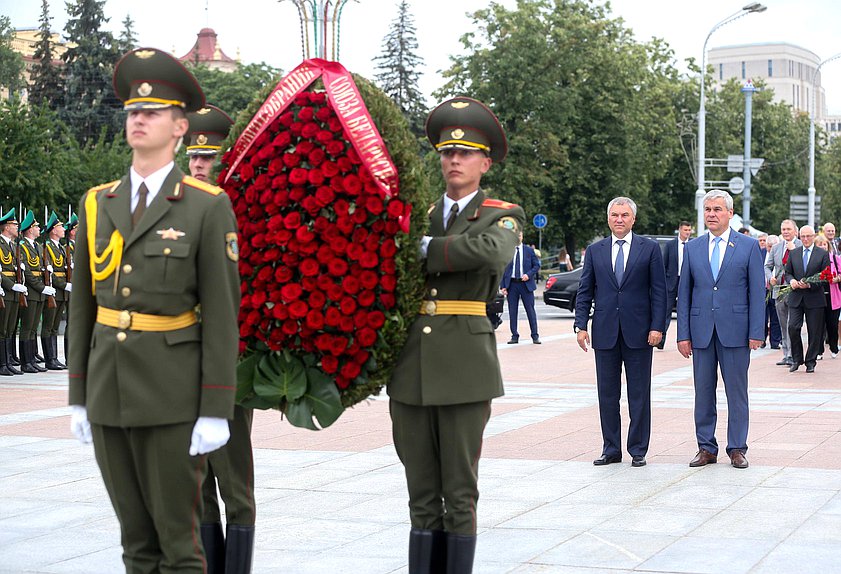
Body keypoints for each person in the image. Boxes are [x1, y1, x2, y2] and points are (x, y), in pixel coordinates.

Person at [67, 47, 241, 573]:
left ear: (180, 126)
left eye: (153, 112)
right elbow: (82, 306)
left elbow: (222, 313)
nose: (138, 119)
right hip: (108, 389)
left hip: (171, 393)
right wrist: (79, 394)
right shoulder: (98, 202)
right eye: (132, 112)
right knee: (134, 542)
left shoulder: (206, 206)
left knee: (179, 545)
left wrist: (215, 407)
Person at [388, 96, 524, 573]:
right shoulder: (415, 213)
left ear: (484, 162)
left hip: (466, 369)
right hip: (411, 368)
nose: (454, 160)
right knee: (420, 494)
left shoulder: (501, 213)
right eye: (447, 152)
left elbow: (490, 254)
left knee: (459, 493)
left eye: (465, 153)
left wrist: (424, 248)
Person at [185, 104, 256, 574]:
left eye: (208, 159)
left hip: (228, 362)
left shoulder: (239, 213)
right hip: (182, 362)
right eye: (193, 157)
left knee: (234, 483)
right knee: (196, 484)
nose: (198, 165)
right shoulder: (174, 212)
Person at [574, 197, 667, 468]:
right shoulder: (595, 250)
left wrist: (658, 327)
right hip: (604, 333)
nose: (619, 219)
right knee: (607, 394)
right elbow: (585, 290)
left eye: (624, 215)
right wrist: (581, 325)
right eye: (615, 215)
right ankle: (611, 449)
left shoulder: (649, 249)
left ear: (633, 219)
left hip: (640, 333)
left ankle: (638, 449)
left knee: (639, 394)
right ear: (608, 218)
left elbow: (659, 292)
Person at [677, 190, 765, 469]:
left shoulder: (749, 246)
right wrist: (683, 334)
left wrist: (756, 331)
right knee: (703, 392)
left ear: (729, 212)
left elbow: (756, 292)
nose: (711, 214)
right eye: (707, 210)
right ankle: (706, 447)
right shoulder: (692, 248)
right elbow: (685, 293)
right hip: (701, 331)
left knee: (736, 392)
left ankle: (737, 447)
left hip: (736, 331)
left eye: (717, 209)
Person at [784, 225, 830, 373]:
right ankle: (797, 359)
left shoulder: (822, 254)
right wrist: (791, 281)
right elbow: (788, 272)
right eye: (802, 236)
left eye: (808, 236)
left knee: (814, 331)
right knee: (793, 327)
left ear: (814, 236)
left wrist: (810, 284)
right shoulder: (794, 253)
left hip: (814, 298)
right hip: (796, 297)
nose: (805, 239)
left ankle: (811, 361)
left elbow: (826, 276)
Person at [18, 210, 52, 374]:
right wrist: (41, 287)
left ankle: (31, 360)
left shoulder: (38, 247)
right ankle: (25, 362)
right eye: (37, 227)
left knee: (33, 328)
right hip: (31, 291)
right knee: (26, 327)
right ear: (30, 229)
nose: (39, 229)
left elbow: (39, 269)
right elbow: (28, 274)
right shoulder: (23, 246)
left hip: (38, 292)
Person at [765, 220, 801, 367]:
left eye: (788, 229)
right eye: (783, 229)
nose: (785, 232)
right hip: (779, 290)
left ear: (795, 231)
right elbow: (768, 266)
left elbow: (802, 265)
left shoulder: (800, 245)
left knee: (792, 324)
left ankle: (795, 354)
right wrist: (770, 278)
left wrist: (793, 251)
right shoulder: (776, 247)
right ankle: (786, 354)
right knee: (782, 323)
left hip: (795, 290)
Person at [40, 212, 69, 370]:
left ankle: (54, 358)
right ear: (53, 231)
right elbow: (49, 272)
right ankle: (49, 359)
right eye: (60, 227)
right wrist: (64, 285)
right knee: (48, 326)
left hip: (61, 292)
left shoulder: (61, 248)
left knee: (55, 327)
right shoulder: (47, 247)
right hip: (54, 290)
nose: (63, 229)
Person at [500, 231, 541, 344]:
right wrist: (503, 286)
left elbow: (536, 265)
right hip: (512, 285)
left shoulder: (529, 251)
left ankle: (535, 335)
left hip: (525, 284)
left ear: (522, 236)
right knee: (512, 311)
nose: (518, 237)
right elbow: (503, 268)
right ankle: (514, 335)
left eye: (520, 235)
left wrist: (529, 274)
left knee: (530, 310)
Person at [661, 221, 692, 349]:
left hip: (687, 281)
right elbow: (664, 264)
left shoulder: (694, 244)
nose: (688, 232)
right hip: (671, 282)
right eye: (685, 230)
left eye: (689, 230)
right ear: (680, 229)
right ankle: (661, 340)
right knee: (666, 311)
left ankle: (687, 339)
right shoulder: (670, 245)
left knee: (686, 311)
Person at [0, 208, 21, 376]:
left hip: (14, 290)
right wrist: (10, 285)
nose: (17, 227)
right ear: (6, 227)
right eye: (14, 224)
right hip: (5, 290)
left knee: (9, 328)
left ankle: (7, 362)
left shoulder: (12, 246)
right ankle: (2, 364)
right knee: (2, 328)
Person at [814, 235, 841, 359]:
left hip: (833, 297)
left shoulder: (835, 259)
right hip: (817, 296)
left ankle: (834, 346)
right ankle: (819, 351)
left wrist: (837, 278)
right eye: (819, 244)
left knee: (832, 324)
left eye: (824, 244)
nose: (822, 246)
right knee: (818, 325)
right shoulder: (813, 260)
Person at [759, 233, 782, 350]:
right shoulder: (760, 253)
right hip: (762, 289)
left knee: (776, 316)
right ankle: (761, 339)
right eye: (769, 246)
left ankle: (775, 341)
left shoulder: (780, 255)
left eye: (773, 246)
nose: (771, 248)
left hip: (776, 288)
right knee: (762, 316)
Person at [63, 214, 78, 361]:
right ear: (72, 231)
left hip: (78, 289)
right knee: (71, 323)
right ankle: (69, 357)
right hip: (70, 289)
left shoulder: (77, 246)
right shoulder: (67, 248)